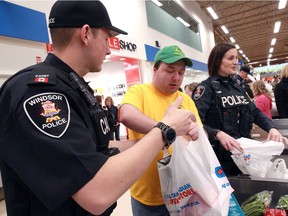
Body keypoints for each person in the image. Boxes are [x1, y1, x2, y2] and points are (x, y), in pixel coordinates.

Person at [0, 1, 199, 215]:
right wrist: (164, 130)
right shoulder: (39, 93)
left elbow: (98, 149)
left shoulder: (73, 87)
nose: (108, 48)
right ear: (86, 34)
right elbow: (96, 193)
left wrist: (154, 141)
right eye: (107, 39)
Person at [119, 45, 202, 215]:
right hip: (148, 196)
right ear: (155, 70)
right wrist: (168, 130)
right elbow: (127, 115)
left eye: (181, 72)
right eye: (170, 70)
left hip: (184, 191)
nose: (176, 77)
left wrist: (196, 132)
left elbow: (201, 133)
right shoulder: (139, 91)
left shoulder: (185, 99)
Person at [192, 42, 286, 176]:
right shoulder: (205, 89)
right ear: (218, 60)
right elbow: (195, 123)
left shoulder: (237, 87)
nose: (235, 62)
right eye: (230, 58)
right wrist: (216, 133)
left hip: (243, 153)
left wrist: (272, 128)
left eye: (236, 58)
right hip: (219, 157)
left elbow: (254, 112)